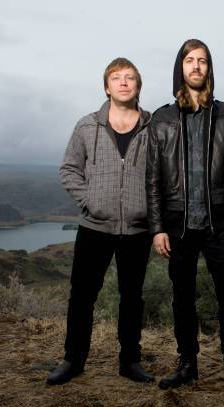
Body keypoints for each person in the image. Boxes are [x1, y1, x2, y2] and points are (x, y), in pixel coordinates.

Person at [146, 39, 224, 390]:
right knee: (183, 297)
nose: (196, 66)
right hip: (177, 224)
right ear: (181, 68)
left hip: (219, 222)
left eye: (202, 61)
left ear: (209, 69)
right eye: (189, 60)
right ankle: (187, 364)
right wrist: (158, 228)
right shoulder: (161, 118)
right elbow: (154, 178)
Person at [47, 57, 154, 385]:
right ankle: (73, 359)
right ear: (106, 87)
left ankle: (130, 361)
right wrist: (89, 200)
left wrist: (150, 208)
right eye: (117, 78)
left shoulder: (154, 127)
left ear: (138, 86)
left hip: (137, 229)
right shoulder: (87, 125)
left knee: (132, 297)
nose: (124, 82)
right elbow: (68, 168)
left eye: (130, 78)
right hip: (95, 226)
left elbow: (164, 175)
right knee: (82, 295)